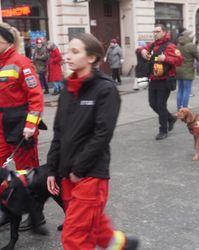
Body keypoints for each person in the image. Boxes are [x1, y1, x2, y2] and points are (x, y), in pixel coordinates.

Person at [46, 33, 139, 250]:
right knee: (91, 222)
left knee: (74, 237)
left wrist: (79, 169)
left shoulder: (105, 89)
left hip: (90, 174)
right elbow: (59, 132)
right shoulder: (68, 87)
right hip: (67, 172)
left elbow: (102, 135)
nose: (67, 56)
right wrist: (52, 169)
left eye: (75, 52)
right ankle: (121, 244)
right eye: (68, 51)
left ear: (91, 58)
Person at [0, 23, 44, 226]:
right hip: (1, 126)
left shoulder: (22, 63)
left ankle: (35, 214)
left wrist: (30, 126)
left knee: (27, 172)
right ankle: (8, 209)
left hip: (20, 126)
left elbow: (36, 98)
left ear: (7, 41)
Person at [141, 24, 183, 140]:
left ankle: (163, 130)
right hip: (153, 79)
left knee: (160, 105)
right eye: (154, 31)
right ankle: (170, 118)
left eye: (157, 31)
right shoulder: (152, 45)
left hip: (165, 80)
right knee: (152, 104)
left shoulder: (170, 46)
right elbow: (142, 48)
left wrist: (166, 59)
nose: (155, 33)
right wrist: (143, 50)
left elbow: (180, 60)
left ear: (164, 32)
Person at [176, 30, 199, 110]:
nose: (194, 38)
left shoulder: (179, 44)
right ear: (190, 37)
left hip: (178, 70)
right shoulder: (191, 45)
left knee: (180, 90)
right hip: (187, 70)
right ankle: (185, 107)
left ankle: (179, 107)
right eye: (193, 36)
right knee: (187, 90)